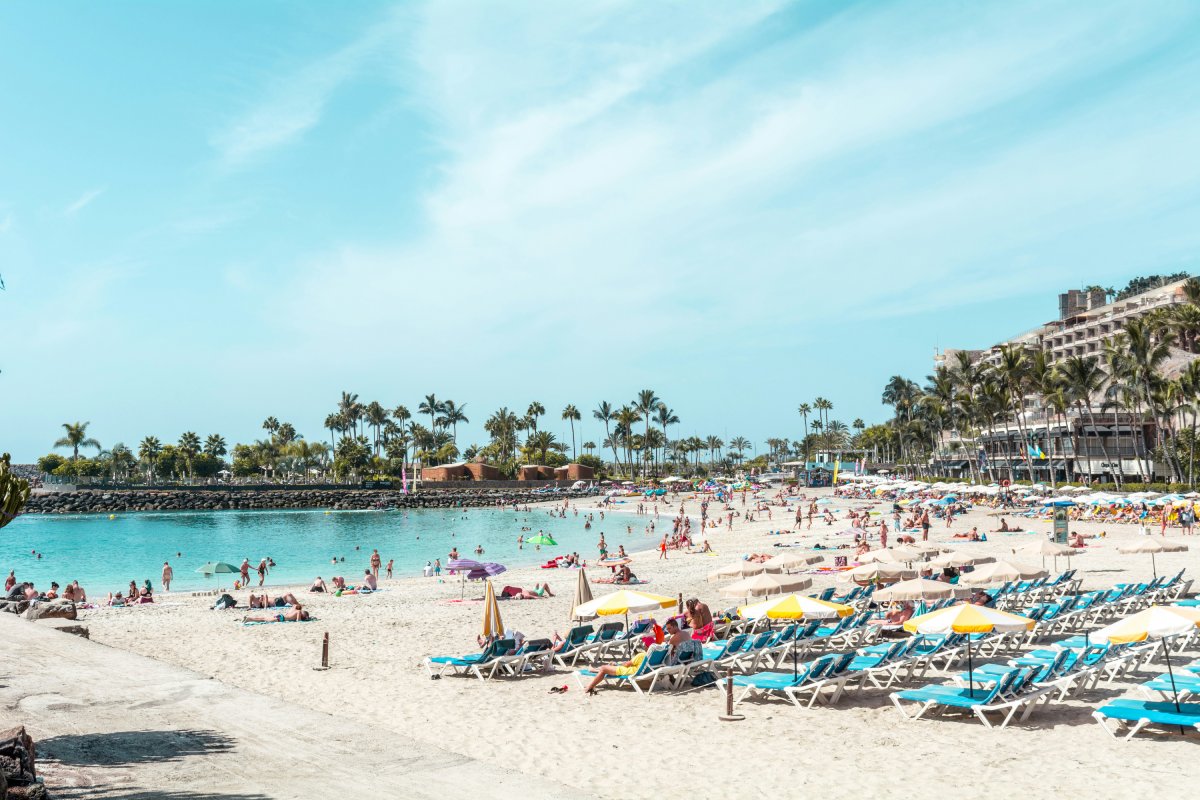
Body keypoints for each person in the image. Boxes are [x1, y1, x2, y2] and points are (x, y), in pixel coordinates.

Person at [581, 650, 650, 695]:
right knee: (606, 667)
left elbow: (626, 665)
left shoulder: (642, 655)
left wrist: (618, 664)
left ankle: (589, 687)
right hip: (639, 671)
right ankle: (593, 673)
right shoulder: (651, 656)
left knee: (603, 668)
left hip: (629, 671)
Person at [244, 602, 310, 623]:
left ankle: (249, 618)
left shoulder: (294, 610)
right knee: (264, 620)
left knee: (264, 618)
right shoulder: (298, 612)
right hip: (281, 618)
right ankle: (249, 619)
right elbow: (298, 621)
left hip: (280, 616)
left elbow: (294, 605)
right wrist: (307, 619)